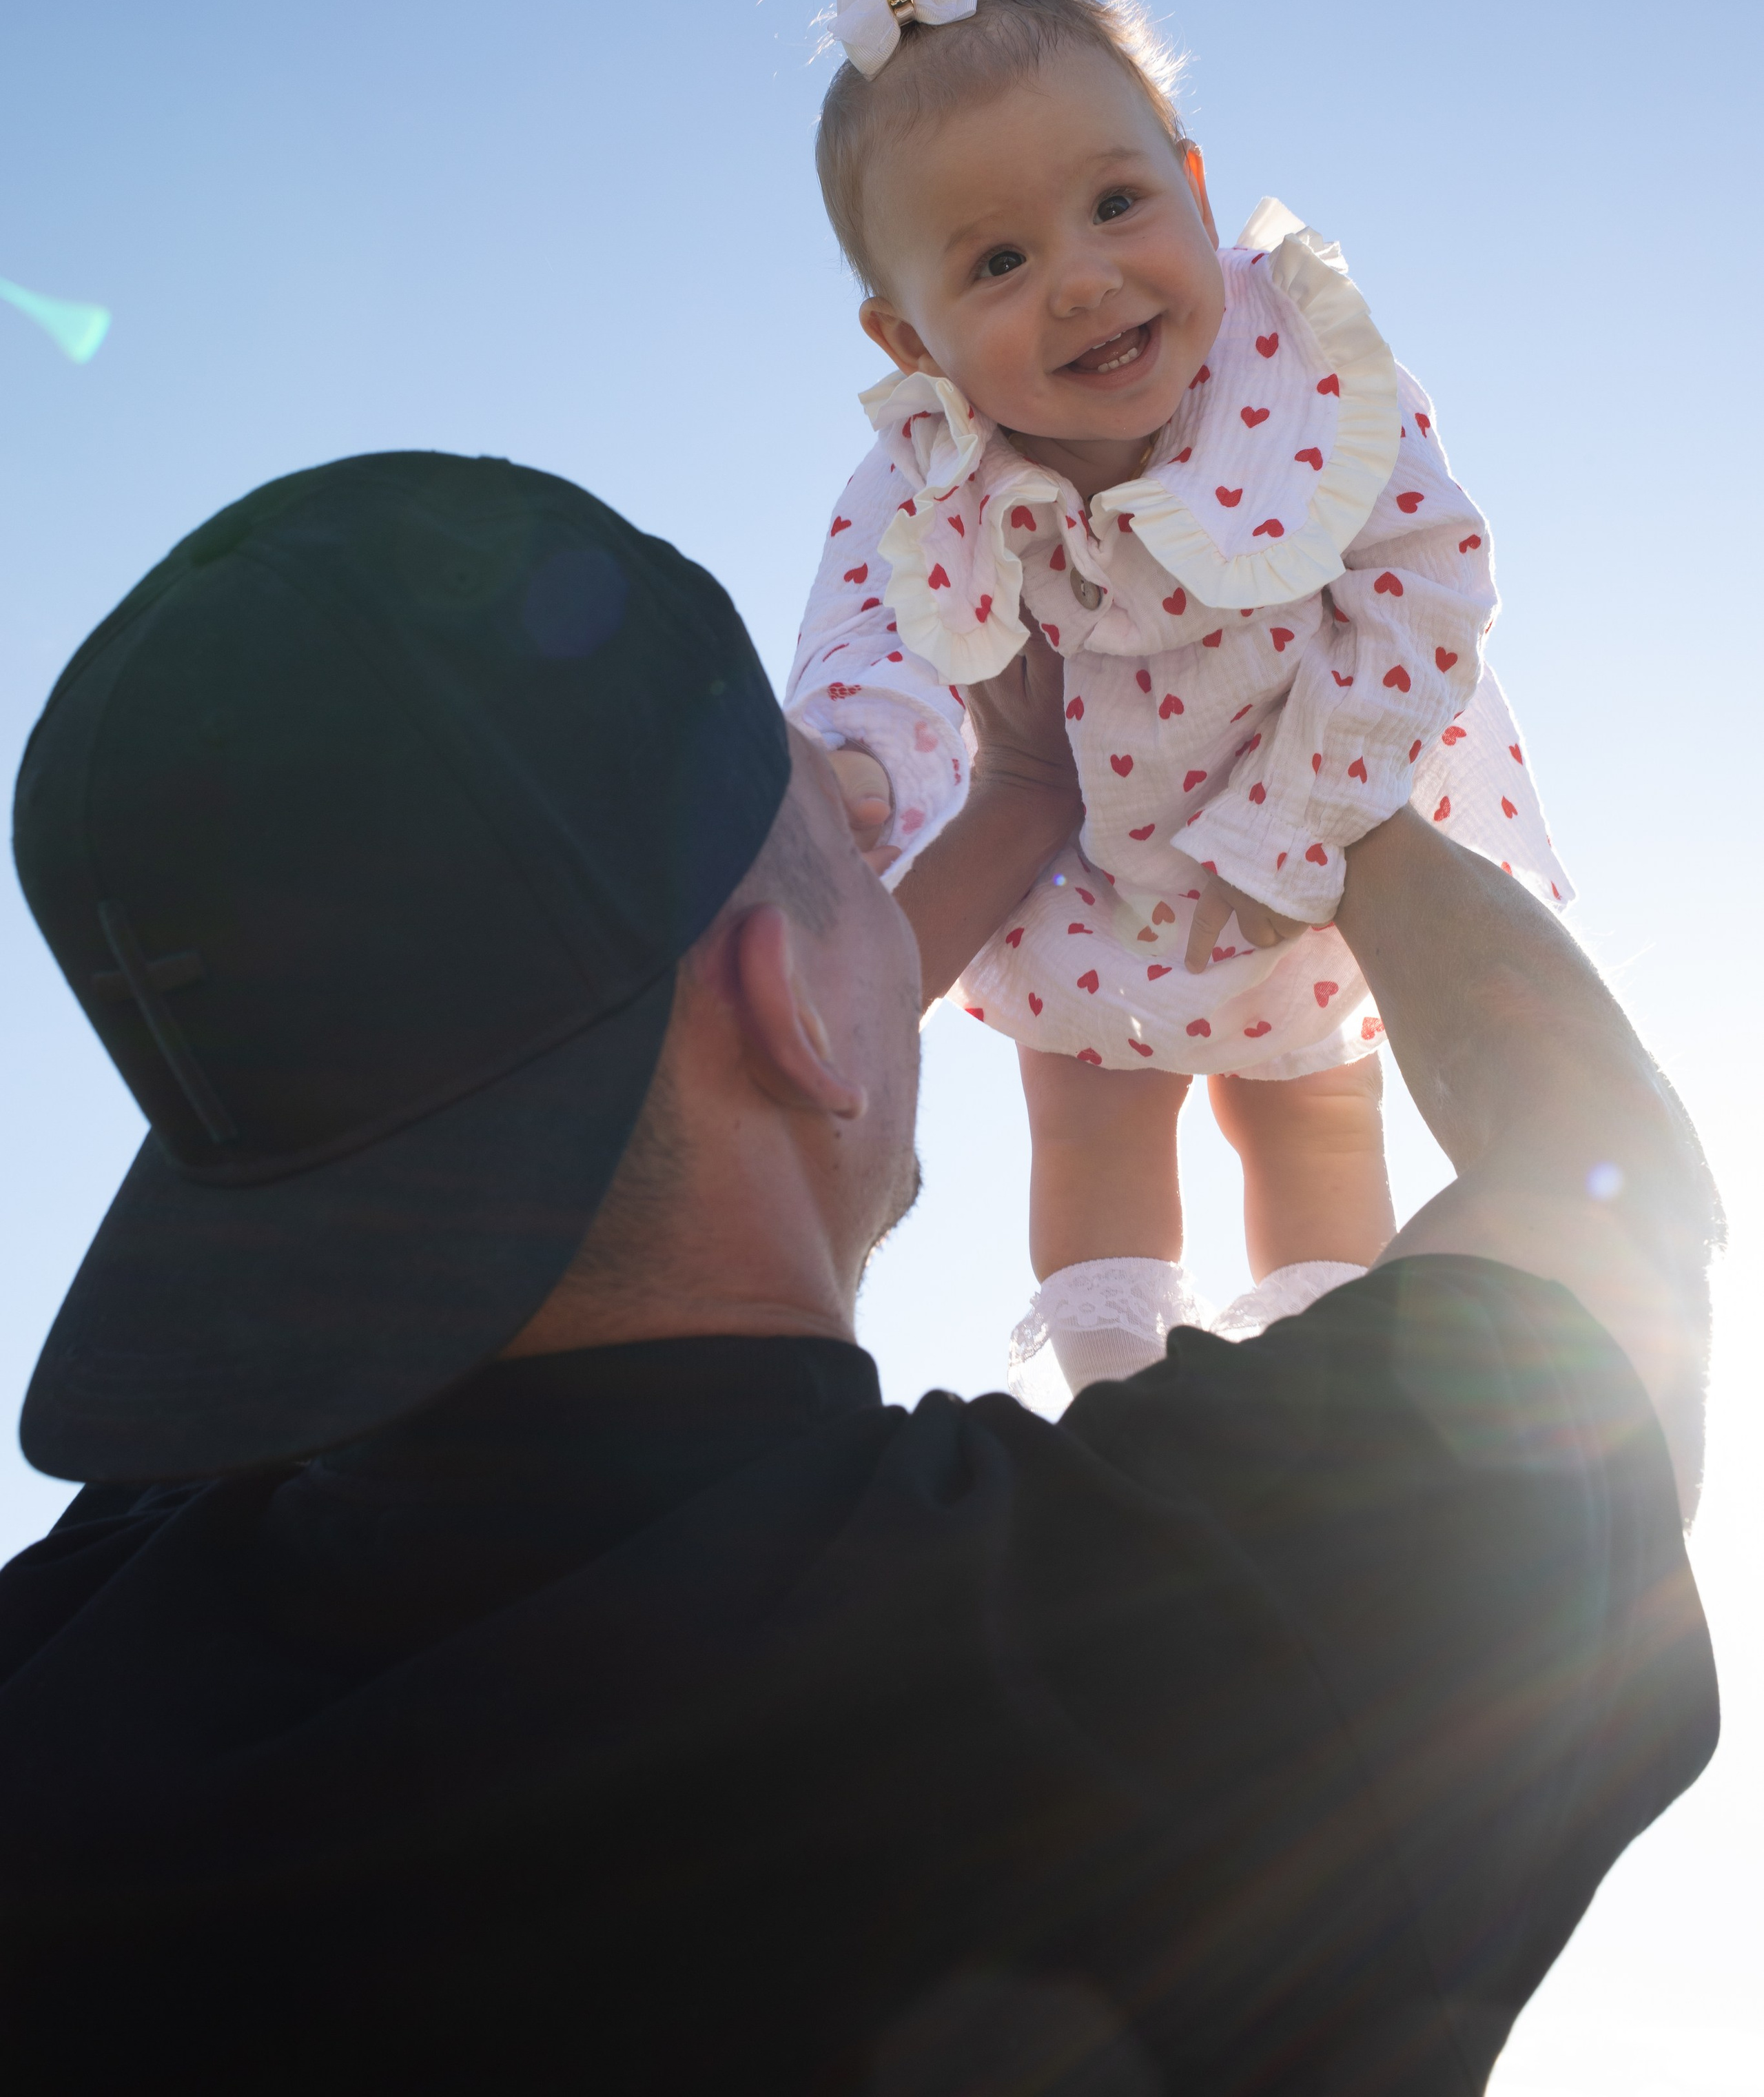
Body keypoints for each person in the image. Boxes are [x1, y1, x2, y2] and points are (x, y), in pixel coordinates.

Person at [0, 448, 1717, 2096]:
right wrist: (1328, 781)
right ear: (790, 1007)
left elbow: (740, 1047)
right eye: (841, 821)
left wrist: (1018, 798)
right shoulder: (1157, 1635)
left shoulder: (73, 1675)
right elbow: (1613, 1196)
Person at [786, 0, 1568, 1397]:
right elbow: (882, 639)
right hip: (1086, 850)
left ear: (1195, 194)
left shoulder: (1301, 371)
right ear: (910, 338)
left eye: (1115, 205)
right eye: (998, 263)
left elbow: (1426, 590)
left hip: (1317, 793)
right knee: (1087, 1110)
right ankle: (1122, 1402)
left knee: (1312, 1117)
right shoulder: (931, 472)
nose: (1082, 281)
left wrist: (1293, 828)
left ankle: (1331, 1396)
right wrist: (856, 764)